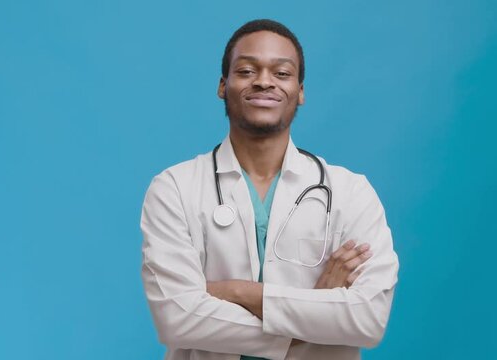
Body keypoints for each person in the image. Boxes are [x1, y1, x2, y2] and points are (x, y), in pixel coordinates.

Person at [140, 19, 399, 360]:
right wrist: (313, 318)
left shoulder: (350, 192)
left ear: (300, 91)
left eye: (281, 73)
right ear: (223, 85)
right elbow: (177, 319)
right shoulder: (174, 188)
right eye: (247, 71)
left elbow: (368, 320)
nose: (264, 82)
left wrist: (235, 291)